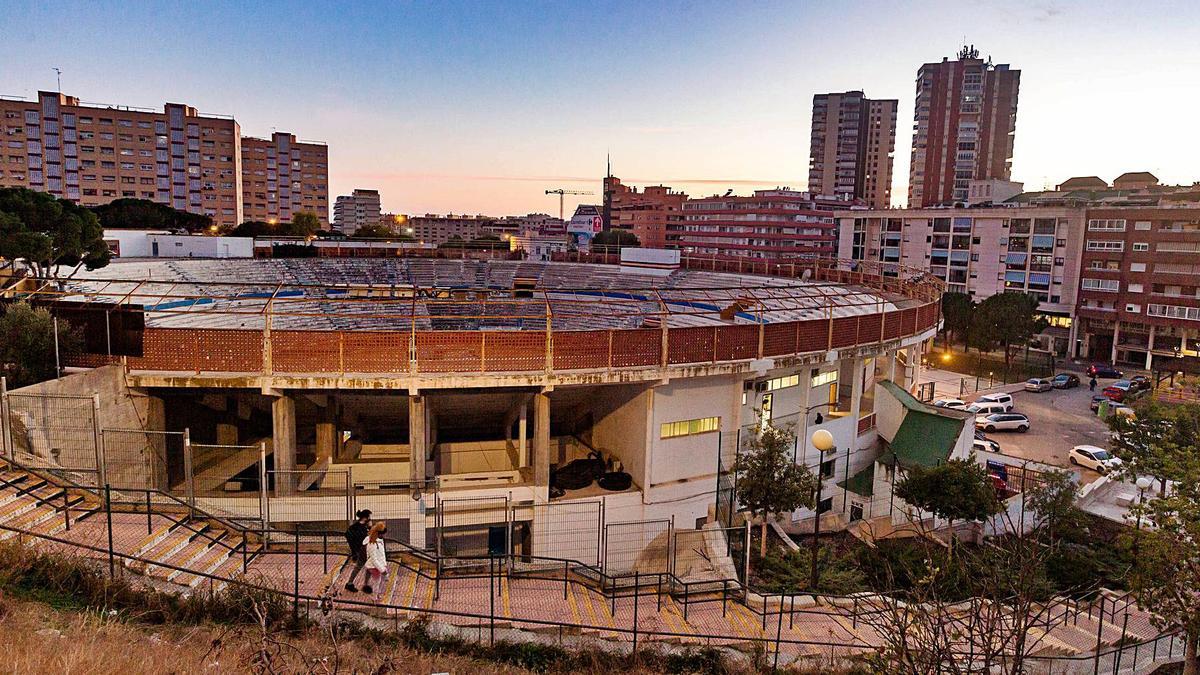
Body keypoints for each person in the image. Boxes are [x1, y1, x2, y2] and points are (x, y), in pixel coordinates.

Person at [342, 509, 371, 593]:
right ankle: (359, 584)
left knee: (363, 566)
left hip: (364, 550)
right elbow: (349, 535)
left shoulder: (360, 526)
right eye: (369, 517)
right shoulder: (360, 527)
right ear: (365, 518)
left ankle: (352, 583)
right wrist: (354, 548)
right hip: (362, 551)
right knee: (363, 566)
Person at [363, 521, 388, 599]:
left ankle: (377, 595)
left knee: (381, 580)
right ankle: (375, 597)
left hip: (377, 565)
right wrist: (382, 569)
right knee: (377, 582)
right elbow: (374, 559)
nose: (384, 535)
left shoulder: (378, 541)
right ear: (379, 534)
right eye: (383, 534)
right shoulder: (373, 544)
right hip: (374, 566)